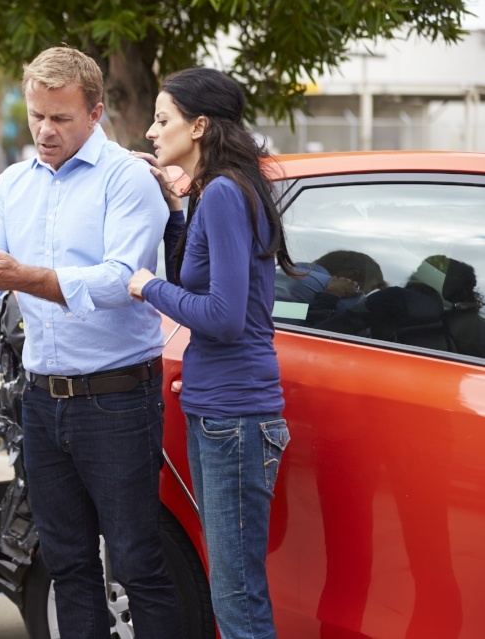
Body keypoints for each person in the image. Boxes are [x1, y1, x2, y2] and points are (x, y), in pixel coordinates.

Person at [0, 46, 181, 638]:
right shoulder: (12, 184)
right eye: (36, 117)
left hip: (117, 400)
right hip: (42, 399)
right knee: (66, 559)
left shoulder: (129, 180)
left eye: (61, 118)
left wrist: (19, 276)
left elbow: (119, 281)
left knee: (136, 562)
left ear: (96, 113)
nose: (45, 131)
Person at [127, 67, 293, 639]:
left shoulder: (224, 192)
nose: (152, 131)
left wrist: (145, 286)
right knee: (233, 585)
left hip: (234, 416)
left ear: (199, 126)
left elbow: (220, 316)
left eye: (163, 119)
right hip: (220, 412)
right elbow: (198, 283)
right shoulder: (216, 190)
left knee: (236, 596)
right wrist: (174, 210)